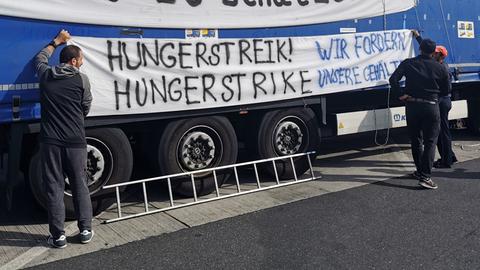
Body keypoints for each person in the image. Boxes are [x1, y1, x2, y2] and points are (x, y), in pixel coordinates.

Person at [35, 30, 94, 248]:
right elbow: (86, 106)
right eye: (81, 60)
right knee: (80, 185)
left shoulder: (46, 75)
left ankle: (58, 236)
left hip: (50, 141)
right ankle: (86, 230)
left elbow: (40, 58)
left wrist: (56, 42)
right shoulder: (81, 79)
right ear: (73, 61)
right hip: (75, 141)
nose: (82, 64)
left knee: (54, 187)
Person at [389, 38, 450, 189]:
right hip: (431, 105)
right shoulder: (440, 68)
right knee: (430, 141)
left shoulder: (408, 63)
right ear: (433, 52)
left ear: (420, 49)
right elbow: (446, 90)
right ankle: (425, 176)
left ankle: (419, 171)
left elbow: (393, 79)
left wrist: (401, 94)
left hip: (412, 105)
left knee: (416, 140)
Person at [412, 30, 458, 168]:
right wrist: (418, 37)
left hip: (442, 101)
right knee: (440, 130)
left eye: (436, 52)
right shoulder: (438, 64)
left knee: (442, 131)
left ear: (440, 55)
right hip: (443, 100)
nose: (433, 53)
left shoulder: (441, 67)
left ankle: (447, 160)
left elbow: (447, 88)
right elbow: (426, 50)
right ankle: (450, 156)